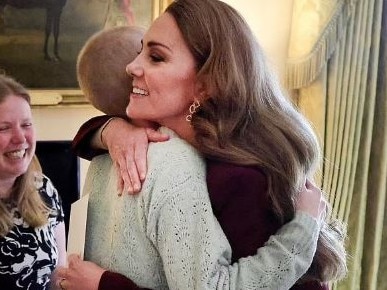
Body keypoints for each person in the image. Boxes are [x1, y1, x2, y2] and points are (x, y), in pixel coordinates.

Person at [62, 0, 348, 287]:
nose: (131, 67)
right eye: (139, 52)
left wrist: (105, 285)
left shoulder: (237, 178)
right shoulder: (160, 145)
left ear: (204, 85)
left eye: (156, 57)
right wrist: (111, 130)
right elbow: (80, 141)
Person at [0, 74, 67, 290]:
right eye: (3, 128)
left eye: (26, 124)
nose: (20, 138)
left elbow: (60, 275)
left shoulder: (43, 188)